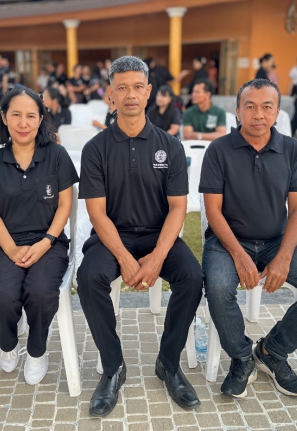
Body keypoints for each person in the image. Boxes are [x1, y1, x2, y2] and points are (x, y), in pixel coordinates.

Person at [200, 78, 297, 399]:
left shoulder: (292, 150)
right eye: (250, 106)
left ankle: (271, 351)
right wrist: (239, 256)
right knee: (219, 287)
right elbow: (213, 211)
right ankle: (241, 357)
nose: (258, 114)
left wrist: (283, 258)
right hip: (227, 241)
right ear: (237, 111)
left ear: (277, 112)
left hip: (276, 241)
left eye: (267, 107)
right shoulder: (219, 150)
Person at [78, 56, 204, 417]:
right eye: (122, 88)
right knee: (88, 277)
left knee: (191, 276)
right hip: (112, 236)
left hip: (157, 234)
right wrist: (125, 258)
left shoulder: (171, 145)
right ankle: (113, 366)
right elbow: (97, 214)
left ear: (148, 91)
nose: (130, 95)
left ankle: (169, 363)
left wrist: (156, 257)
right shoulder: (95, 149)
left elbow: (178, 208)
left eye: (137, 87)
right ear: (110, 95)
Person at [0, 85, 78, 382]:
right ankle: (8, 345)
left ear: (40, 119)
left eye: (31, 116)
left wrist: (46, 242)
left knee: (40, 292)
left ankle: (36, 350)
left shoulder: (57, 155)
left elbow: (65, 205)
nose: (23, 123)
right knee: (2, 297)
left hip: (49, 243)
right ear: (4, 118)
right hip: (5, 244)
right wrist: (11, 249)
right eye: (16, 115)